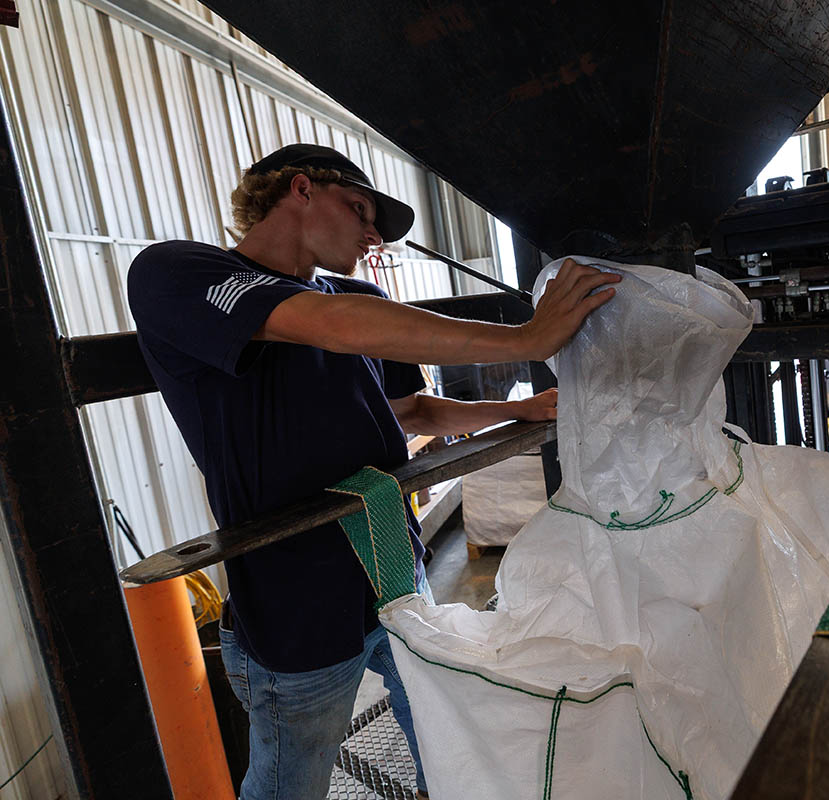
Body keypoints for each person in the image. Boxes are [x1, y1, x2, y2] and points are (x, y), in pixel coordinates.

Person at [126, 143, 619, 800]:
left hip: (393, 564)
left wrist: (517, 409)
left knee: (445, 739)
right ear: (299, 190)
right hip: (294, 596)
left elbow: (413, 409)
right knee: (289, 782)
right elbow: (327, 325)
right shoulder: (179, 273)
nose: (370, 235)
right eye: (360, 210)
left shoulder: (358, 294)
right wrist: (528, 339)